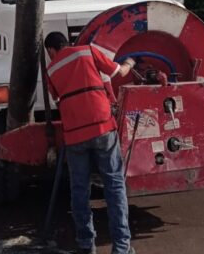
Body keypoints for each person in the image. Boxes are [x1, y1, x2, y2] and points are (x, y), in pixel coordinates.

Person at [44, 31, 137, 254]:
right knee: (114, 186)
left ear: (51, 50)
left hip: (75, 135)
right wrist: (130, 61)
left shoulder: (51, 70)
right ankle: (121, 248)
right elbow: (118, 72)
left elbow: (57, 99)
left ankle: (86, 245)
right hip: (103, 128)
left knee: (79, 190)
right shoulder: (87, 51)